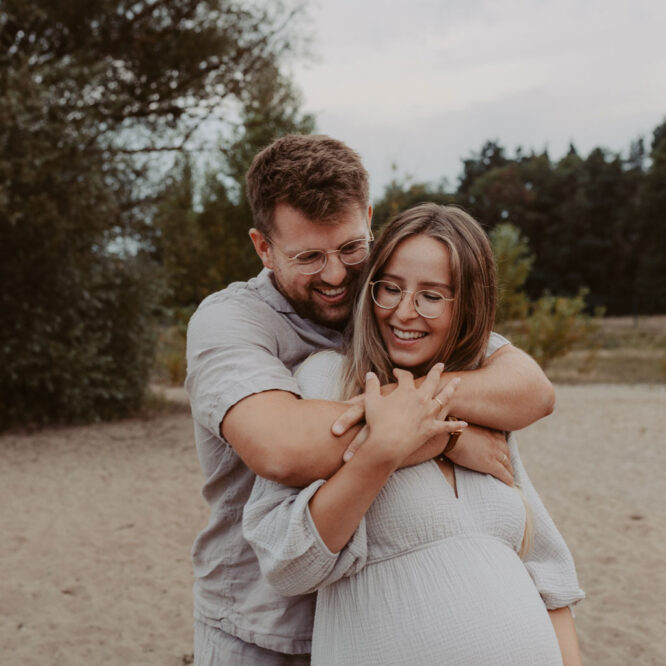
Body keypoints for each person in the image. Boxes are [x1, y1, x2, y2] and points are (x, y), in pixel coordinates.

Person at [185, 135, 556, 664]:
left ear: (369, 219)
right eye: (309, 257)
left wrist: (423, 414)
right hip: (259, 628)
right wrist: (446, 436)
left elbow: (528, 388)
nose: (335, 275)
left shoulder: (386, 295)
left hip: (365, 625)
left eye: (350, 248)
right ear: (263, 247)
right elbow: (282, 449)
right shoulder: (231, 322)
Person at [243, 203, 584, 665]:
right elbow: (289, 563)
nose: (404, 312)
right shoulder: (329, 380)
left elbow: (549, 578)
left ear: (466, 305)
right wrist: (393, 446)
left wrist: (438, 421)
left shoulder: (478, 401)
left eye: (431, 295)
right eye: (391, 289)